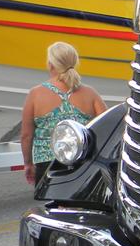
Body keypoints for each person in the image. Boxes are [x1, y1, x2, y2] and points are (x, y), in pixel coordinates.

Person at [20, 42, 107, 185]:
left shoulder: (35, 94)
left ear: (50, 64)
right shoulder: (90, 93)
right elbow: (106, 127)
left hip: (48, 164)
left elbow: (26, 136)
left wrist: (28, 164)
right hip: (83, 164)